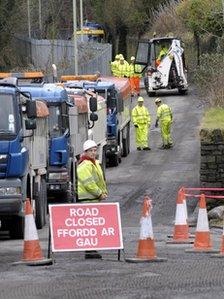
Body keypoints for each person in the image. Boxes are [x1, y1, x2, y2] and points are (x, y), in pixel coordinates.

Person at [77, 139, 108, 259]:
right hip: (87, 199)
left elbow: (99, 180)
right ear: (85, 152)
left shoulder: (94, 163)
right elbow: (89, 183)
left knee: (92, 226)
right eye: (91, 151)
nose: (93, 153)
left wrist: (103, 192)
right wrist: (99, 193)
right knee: (88, 226)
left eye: (95, 150)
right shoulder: (85, 165)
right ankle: (89, 250)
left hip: (93, 199)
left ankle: (91, 249)